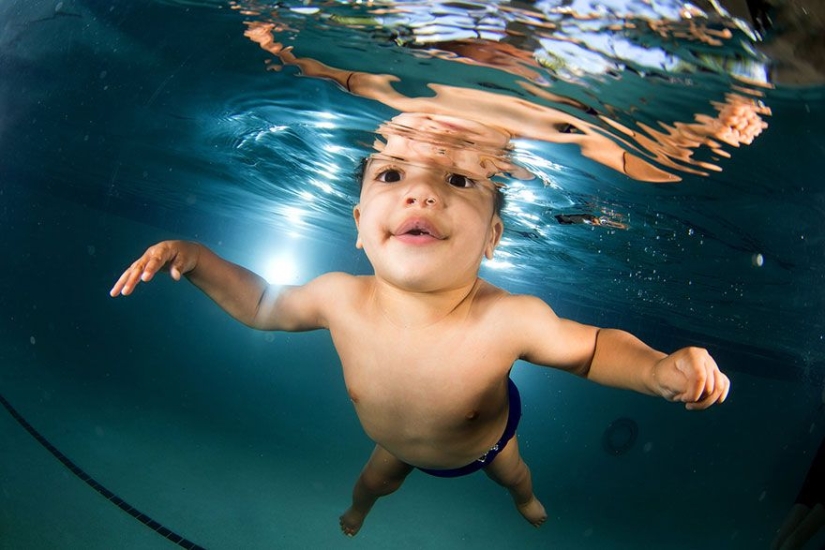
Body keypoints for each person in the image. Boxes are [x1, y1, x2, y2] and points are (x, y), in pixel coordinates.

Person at [109, 112, 730, 537]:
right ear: (359, 223)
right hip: (394, 446)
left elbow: (591, 350)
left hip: (487, 444)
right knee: (371, 485)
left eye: (458, 179)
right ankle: (358, 512)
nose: (422, 192)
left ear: (492, 237)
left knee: (514, 473)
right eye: (391, 174)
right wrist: (197, 259)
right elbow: (261, 304)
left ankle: (524, 500)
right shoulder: (337, 297)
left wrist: (657, 370)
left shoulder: (508, 318)